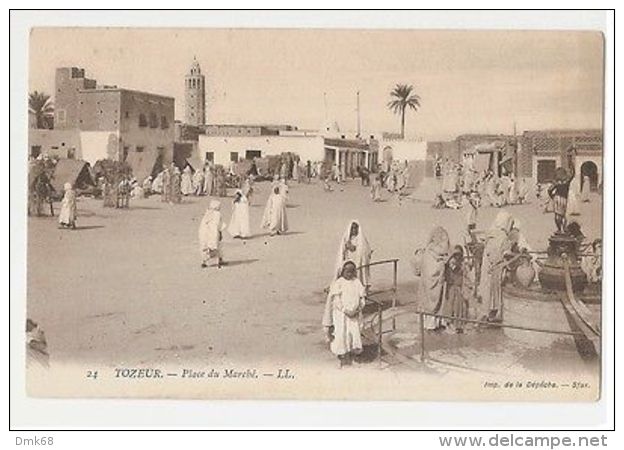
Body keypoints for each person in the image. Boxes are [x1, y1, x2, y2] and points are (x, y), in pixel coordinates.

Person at [322, 261, 367, 367]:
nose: (350, 274)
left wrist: (358, 308)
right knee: (342, 333)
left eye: (352, 271)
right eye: (347, 271)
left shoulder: (357, 282)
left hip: (354, 314)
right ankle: (342, 355)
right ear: (342, 272)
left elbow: (362, 299)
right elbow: (337, 301)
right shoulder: (339, 283)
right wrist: (345, 310)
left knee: (354, 333)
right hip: (342, 314)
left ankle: (354, 353)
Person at [479, 211, 515, 322]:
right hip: (496, 267)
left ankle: (486, 313)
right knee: (494, 292)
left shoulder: (491, 233)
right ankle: (492, 315)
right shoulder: (503, 236)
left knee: (487, 290)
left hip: (487, 266)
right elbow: (505, 254)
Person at [333, 220, 372, 287]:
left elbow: (366, 249)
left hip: (359, 261)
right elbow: (342, 250)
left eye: (355, 228)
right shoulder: (346, 238)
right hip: (349, 260)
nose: (354, 230)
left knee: (358, 274)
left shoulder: (361, 238)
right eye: (352, 228)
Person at [445, 245, 467, 333]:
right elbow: (453, 271)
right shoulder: (452, 262)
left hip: (458, 286)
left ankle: (458, 325)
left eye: (459, 254)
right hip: (452, 286)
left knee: (459, 306)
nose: (457, 256)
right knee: (451, 306)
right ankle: (449, 324)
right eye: (456, 254)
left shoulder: (461, 263)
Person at [198, 200, 225, 268]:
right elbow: (219, 225)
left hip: (204, 233)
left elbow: (202, 225)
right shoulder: (217, 214)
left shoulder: (207, 213)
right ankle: (219, 261)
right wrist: (220, 232)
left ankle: (204, 261)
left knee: (205, 247)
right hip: (213, 233)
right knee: (217, 246)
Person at [548, 166, 575, 233]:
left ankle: (559, 229)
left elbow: (549, 190)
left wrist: (552, 196)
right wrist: (573, 167)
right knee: (564, 215)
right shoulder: (567, 182)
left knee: (557, 214)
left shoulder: (556, 183)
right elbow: (572, 175)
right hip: (564, 199)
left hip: (557, 198)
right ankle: (564, 228)